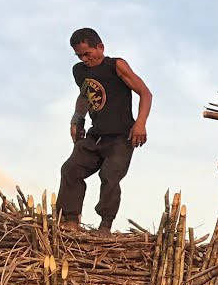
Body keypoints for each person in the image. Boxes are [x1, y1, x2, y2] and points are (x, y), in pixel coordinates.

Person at [58, 28, 152, 234]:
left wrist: (140, 123)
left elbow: (145, 93)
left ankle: (105, 226)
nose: (84, 59)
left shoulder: (116, 65)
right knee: (70, 169)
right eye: (79, 55)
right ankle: (71, 220)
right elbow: (85, 96)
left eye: (87, 53)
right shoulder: (79, 71)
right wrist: (77, 119)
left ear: (100, 47)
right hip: (96, 135)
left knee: (110, 176)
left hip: (121, 136)